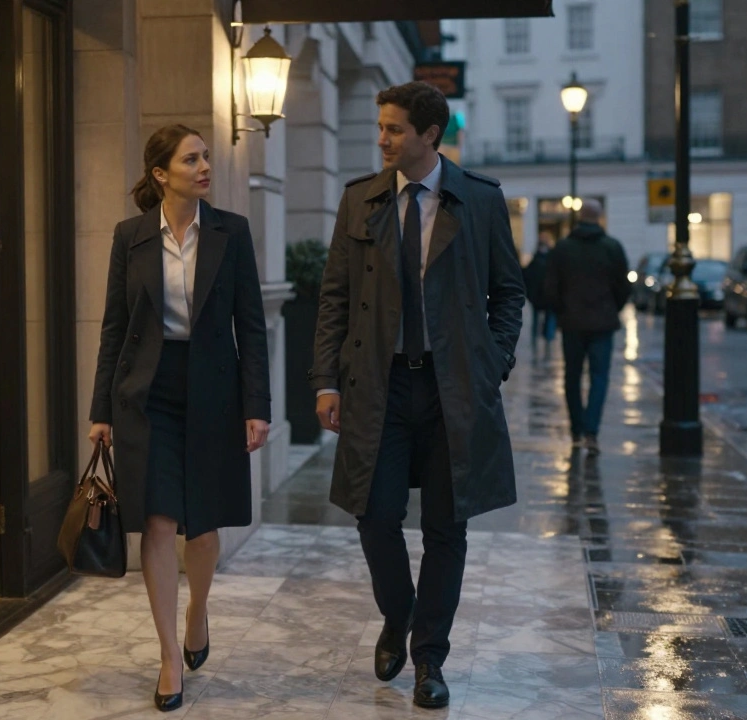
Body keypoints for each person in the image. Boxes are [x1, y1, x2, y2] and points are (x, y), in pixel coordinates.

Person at [310, 81, 525, 709]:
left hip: (453, 387)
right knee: (373, 515)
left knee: (446, 529)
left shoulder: (479, 201)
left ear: (430, 135)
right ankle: (398, 613)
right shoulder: (361, 201)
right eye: (380, 127)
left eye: (394, 129)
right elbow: (334, 299)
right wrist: (325, 379)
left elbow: (509, 293)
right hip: (378, 384)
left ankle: (430, 658)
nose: (382, 138)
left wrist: (494, 362)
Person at [88, 124, 271, 712]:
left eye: (206, 157)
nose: (204, 166)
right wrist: (100, 410)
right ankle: (170, 655)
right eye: (191, 159)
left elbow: (253, 325)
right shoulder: (131, 237)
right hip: (148, 391)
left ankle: (197, 611)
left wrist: (257, 406)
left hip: (214, 389)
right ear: (161, 174)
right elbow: (114, 327)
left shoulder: (231, 232)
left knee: (205, 526)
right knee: (160, 522)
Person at [543, 199, 631, 456]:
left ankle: (576, 429)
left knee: (572, 377)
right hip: (602, 322)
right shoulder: (612, 247)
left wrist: (562, 310)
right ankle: (591, 431)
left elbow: (551, 288)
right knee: (599, 377)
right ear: (600, 218)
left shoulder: (563, 248)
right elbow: (623, 287)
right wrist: (612, 308)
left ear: (580, 217)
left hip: (572, 322)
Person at [522, 231, 557, 344]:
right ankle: (547, 337)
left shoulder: (537, 259)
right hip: (543, 294)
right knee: (547, 317)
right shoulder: (549, 259)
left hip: (540, 294)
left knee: (541, 318)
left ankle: (542, 337)